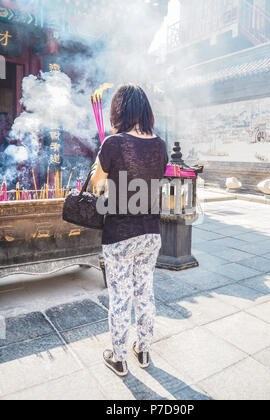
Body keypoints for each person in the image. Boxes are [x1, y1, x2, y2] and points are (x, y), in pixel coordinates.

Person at [91, 84, 168, 377]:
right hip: (151, 232)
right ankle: (143, 349)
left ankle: (119, 357)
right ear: (145, 111)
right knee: (145, 292)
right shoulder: (160, 144)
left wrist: (100, 165)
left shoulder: (113, 143)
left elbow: (98, 183)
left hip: (120, 233)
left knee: (121, 297)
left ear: (118, 110)